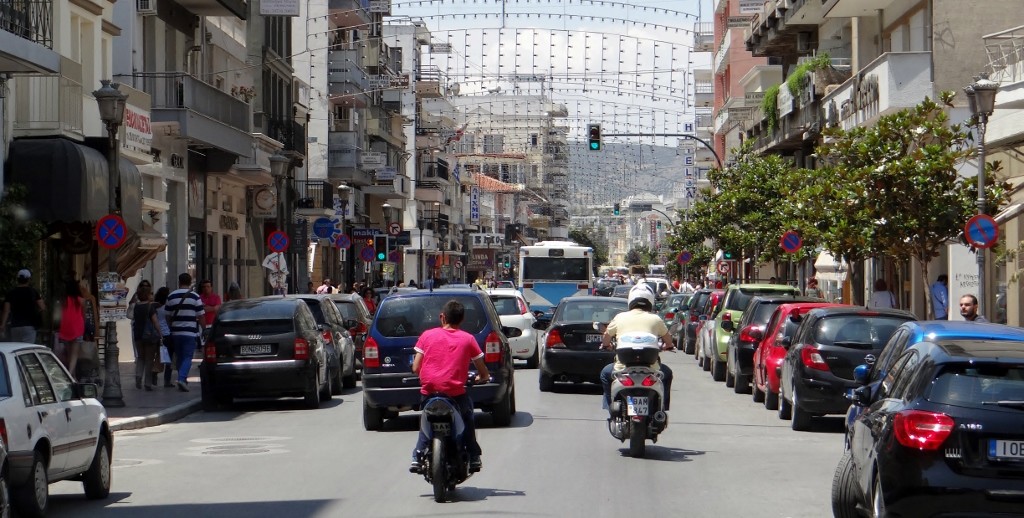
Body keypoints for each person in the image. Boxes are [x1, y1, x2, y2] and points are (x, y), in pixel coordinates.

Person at [409, 299, 489, 474]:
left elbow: (415, 367)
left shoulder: (427, 336)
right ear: (462, 319)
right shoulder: (468, 339)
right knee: (467, 417)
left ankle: (417, 455)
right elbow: (483, 372)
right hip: (455, 395)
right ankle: (474, 455)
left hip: (429, 393)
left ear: (442, 317)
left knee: (426, 419)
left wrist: (427, 376)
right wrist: (481, 378)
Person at [599, 283, 675, 412]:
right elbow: (668, 340)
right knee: (667, 374)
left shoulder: (620, 317)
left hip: (622, 368)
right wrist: (668, 346)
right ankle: (661, 409)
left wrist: (607, 345)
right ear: (651, 301)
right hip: (652, 369)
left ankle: (611, 408)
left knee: (605, 374)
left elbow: (606, 337)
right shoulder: (655, 319)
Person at [166, 273, 205, 391]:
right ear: (190, 282)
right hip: (190, 332)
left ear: (179, 282)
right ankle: (182, 379)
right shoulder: (195, 297)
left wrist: (171, 326)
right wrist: (204, 329)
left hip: (175, 333)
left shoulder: (171, 296)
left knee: (179, 357)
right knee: (187, 357)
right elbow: (201, 315)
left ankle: (182, 378)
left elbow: (167, 316)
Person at [131, 284, 163, 391]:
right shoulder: (150, 307)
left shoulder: (136, 306)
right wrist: (160, 334)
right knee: (149, 360)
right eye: (151, 293)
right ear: (147, 295)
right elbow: (155, 322)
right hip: (149, 336)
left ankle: (138, 376)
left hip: (138, 335)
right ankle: (147, 383)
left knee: (140, 358)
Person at [1, 269, 45, 343]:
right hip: (29, 326)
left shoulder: (11, 293)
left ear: (17, 279)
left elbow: (6, 311)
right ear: (29, 279)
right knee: (27, 348)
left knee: (16, 348)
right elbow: (42, 307)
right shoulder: (33, 292)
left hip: (15, 326)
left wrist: (2, 325)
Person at [57, 276, 87, 377]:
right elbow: (84, 314)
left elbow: (59, 314)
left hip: (65, 328)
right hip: (77, 328)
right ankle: (69, 375)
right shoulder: (80, 300)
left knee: (69, 353)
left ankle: (73, 376)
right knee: (74, 354)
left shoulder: (63, 300)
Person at [153, 286, 175, 387]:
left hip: (157, 334)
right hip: (167, 333)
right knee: (169, 357)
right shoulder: (167, 307)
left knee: (159, 355)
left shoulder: (155, 307)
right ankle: (167, 380)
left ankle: (155, 371)